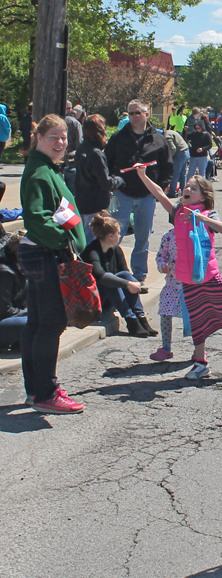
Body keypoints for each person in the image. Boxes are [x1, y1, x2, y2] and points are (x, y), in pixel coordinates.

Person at [137, 171, 222, 379]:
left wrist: (199, 217)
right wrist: (142, 175)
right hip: (188, 280)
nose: (187, 190)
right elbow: (158, 193)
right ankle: (201, 363)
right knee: (196, 322)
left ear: (202, 197)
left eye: (193, 188)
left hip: (210, 278)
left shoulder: (209, 214)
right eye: (187, 187)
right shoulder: (178, 212)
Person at [18, 114, 87, 414]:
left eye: (63, 137)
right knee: (51, 324)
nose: (60, 142)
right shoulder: (38, 173)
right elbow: (36, 218)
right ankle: (46, 393)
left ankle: (36, 390)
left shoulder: (46, 168)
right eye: (53, 137)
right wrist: (65, 241)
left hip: (42, 253)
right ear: (38, 138)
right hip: (45, 253)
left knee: (37, 323)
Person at [105, 98, 173, 284]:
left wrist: (159, 189)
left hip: (146, 197)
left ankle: (139, 274)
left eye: (138, 112)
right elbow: (107, 161)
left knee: (143, 237)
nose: (134, 116)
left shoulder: (159, 139)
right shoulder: (118, 137)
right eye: (131, 113)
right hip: (123, 194)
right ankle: (109, 271)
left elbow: (168, 166)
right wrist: (113, 182)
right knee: (114, 236)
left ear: (146, 114)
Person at [81, 212, 158, 338]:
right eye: (118, 233)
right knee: (110, 278)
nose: (120, 235)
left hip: (112, 299)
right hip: (94, 301)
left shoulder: (115, 249)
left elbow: (125, 273)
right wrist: (127, 284)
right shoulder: (92, 252)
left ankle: (140, 317)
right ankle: (130, 319)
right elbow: (100, 276)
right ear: (110, 236)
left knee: (125, 275)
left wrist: (130, 282)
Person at [74, 114, 125, 243]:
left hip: (82, 200)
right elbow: (105, 183)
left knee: (85, 238)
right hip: (95, 205)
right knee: (93, 242)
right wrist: (119, 180)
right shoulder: (96, 153)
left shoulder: (81, 149)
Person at [149, 229, 190, 361]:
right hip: (172, 284)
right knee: (165, 313)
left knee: (193, 319)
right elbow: (161, 255)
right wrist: (162, 265)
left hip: (191, 285)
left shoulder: (194, 234)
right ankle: (166, 348)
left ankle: (199, 349)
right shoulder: (168, 236)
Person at [0, 231, 27, 351]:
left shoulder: (20, 268)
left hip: (16, 315)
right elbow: (5, 310)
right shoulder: (5, 273)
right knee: (32, 322)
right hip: (4, 320)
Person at [164, 127, 190, 198]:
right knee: (183, 174)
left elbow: (173, 149)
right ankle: (183, 191)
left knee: (175, 174)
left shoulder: (166, 136)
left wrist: (169, 158)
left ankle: (172, 192)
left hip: (180, 153)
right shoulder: (170, 132)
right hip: (186, 151)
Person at [64, 102, 84, 193]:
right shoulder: (76, 123)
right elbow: (79, 142)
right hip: (72, 160)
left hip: (61, 156)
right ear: (78, 114)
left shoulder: (63, 120)